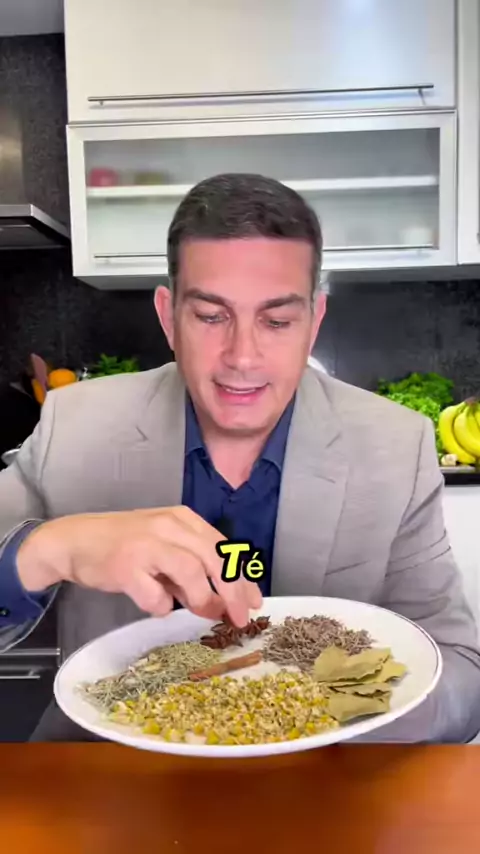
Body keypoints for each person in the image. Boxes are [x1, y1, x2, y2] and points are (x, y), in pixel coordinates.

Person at [0, 173, 479, 743]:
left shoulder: (394, 445)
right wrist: (50, 549)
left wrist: (325, 711)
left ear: (314, 322)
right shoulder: (75, 425)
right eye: (210, 316)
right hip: (111, 772)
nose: (243, 358)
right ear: (168, 317)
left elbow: (463, 678)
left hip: (327, 780)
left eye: (276, 321)